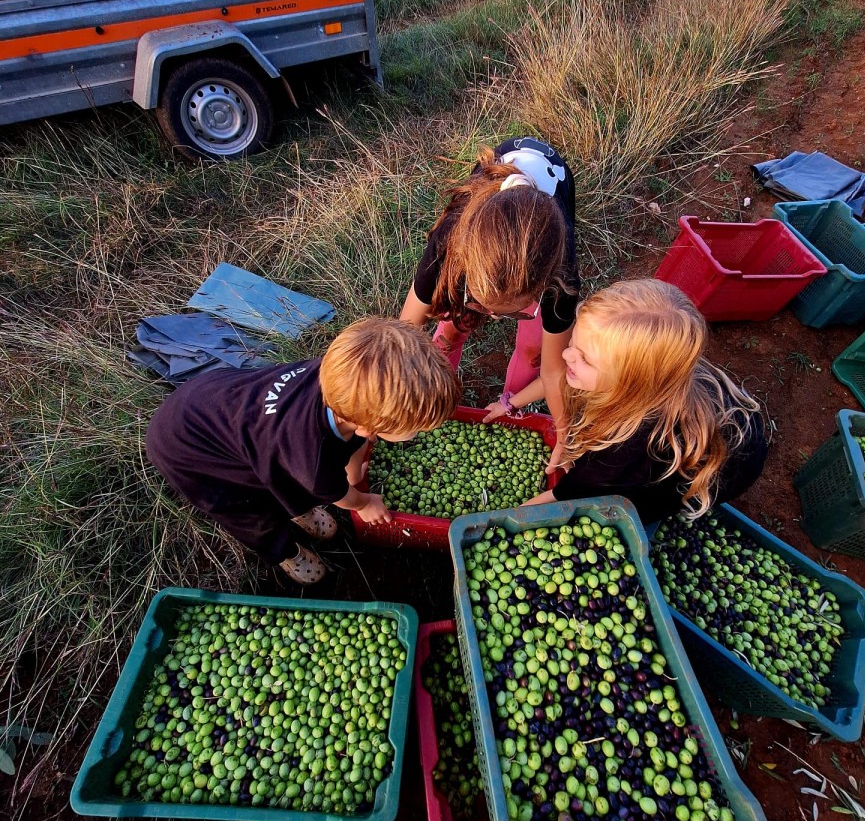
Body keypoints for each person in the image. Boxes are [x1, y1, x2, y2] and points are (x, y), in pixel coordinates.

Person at [145, 318, 461, 584]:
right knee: (251, 511)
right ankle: (285, 552)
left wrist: (353, 473)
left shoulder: (346, 385)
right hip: (190, 450)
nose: (418, 433)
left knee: (282, 476)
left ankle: (298, 507)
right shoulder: (312, 460)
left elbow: (356, 439)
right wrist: (363, 502)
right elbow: (335, 492)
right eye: (415, 429)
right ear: (369, 426)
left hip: (215, 399)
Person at [504, 279, 767, 523]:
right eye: (573, 341)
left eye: (585, 358)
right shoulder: (659, 376)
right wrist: (511, 403)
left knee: (643, 505)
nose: (566, 354)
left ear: (628, 383)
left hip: (727, 467)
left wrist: (502, 520)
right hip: (727, 429)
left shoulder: (624, 451)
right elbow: (559, 379)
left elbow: (565, 495)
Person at [400, 137, 579, 472]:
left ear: (542, 287)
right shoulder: (449, 243)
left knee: (534, 350)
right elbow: (405, 332)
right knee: (449, 331)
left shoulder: (561, 277)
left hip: (555, 186)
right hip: (487, 213)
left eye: (509, 310)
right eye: (483, 304)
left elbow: (555, 371)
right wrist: (404, 400)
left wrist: (566, 434)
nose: (494, 317)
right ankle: (439, 397)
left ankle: (510, 404)